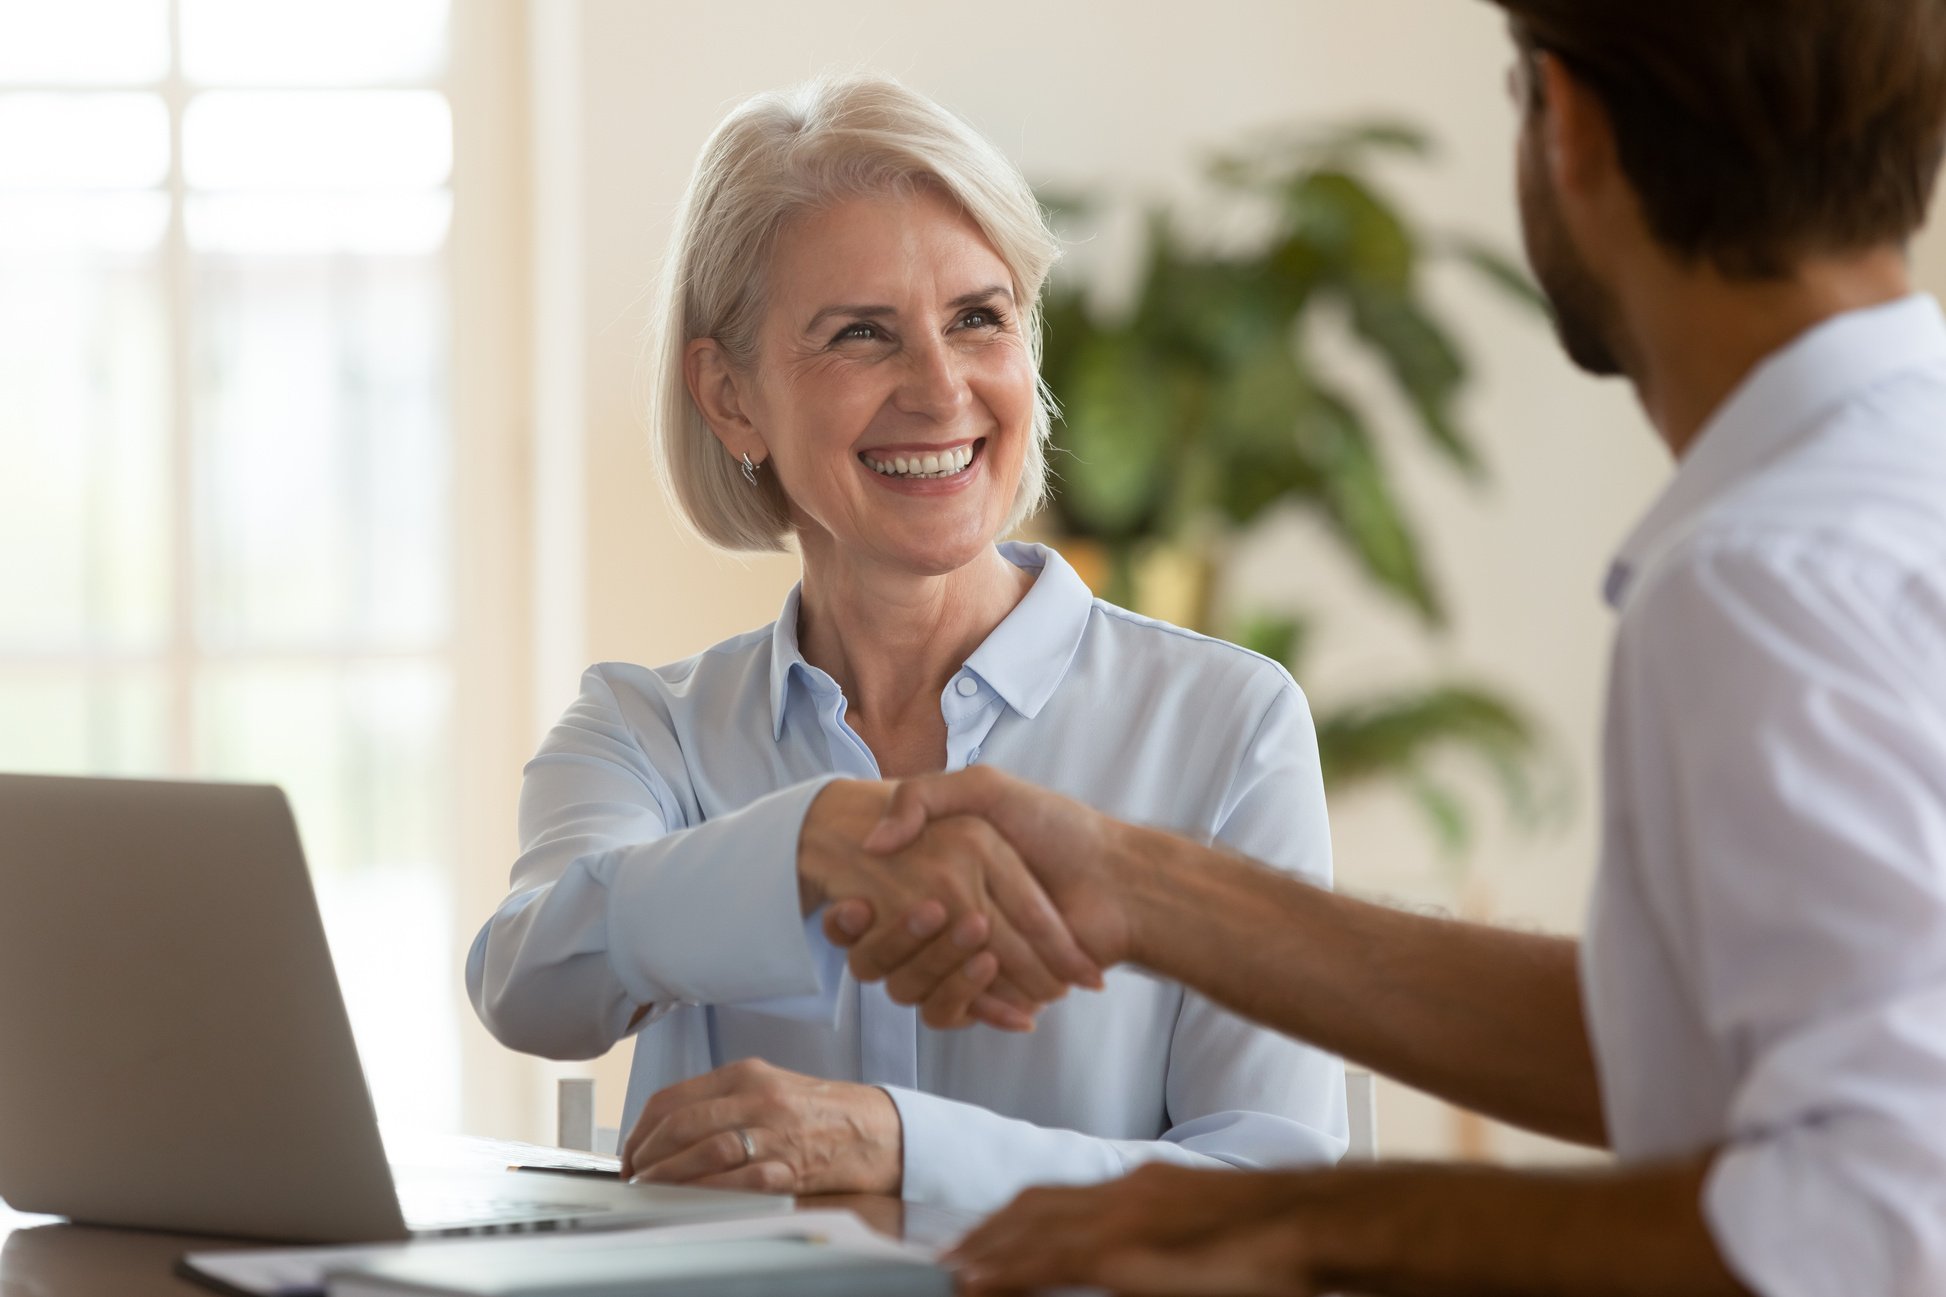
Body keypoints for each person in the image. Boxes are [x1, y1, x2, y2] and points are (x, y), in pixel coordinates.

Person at [825, 1, 1946, 1291]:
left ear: (1563, 126)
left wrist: (1315, 1227)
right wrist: (1146, 889)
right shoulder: (1882, 488)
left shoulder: (1767, 573)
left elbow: (1873, 1215)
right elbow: (1703, 1041)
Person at [464, 73, 1348, 1217]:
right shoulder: (648, 733)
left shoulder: (1224, 724)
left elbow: (1268, 1190)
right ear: (730, 399)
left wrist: (899, 1145)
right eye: (860, 335)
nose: (940, 390)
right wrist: (808, 848)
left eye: (978, 318)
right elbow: (532, 980)